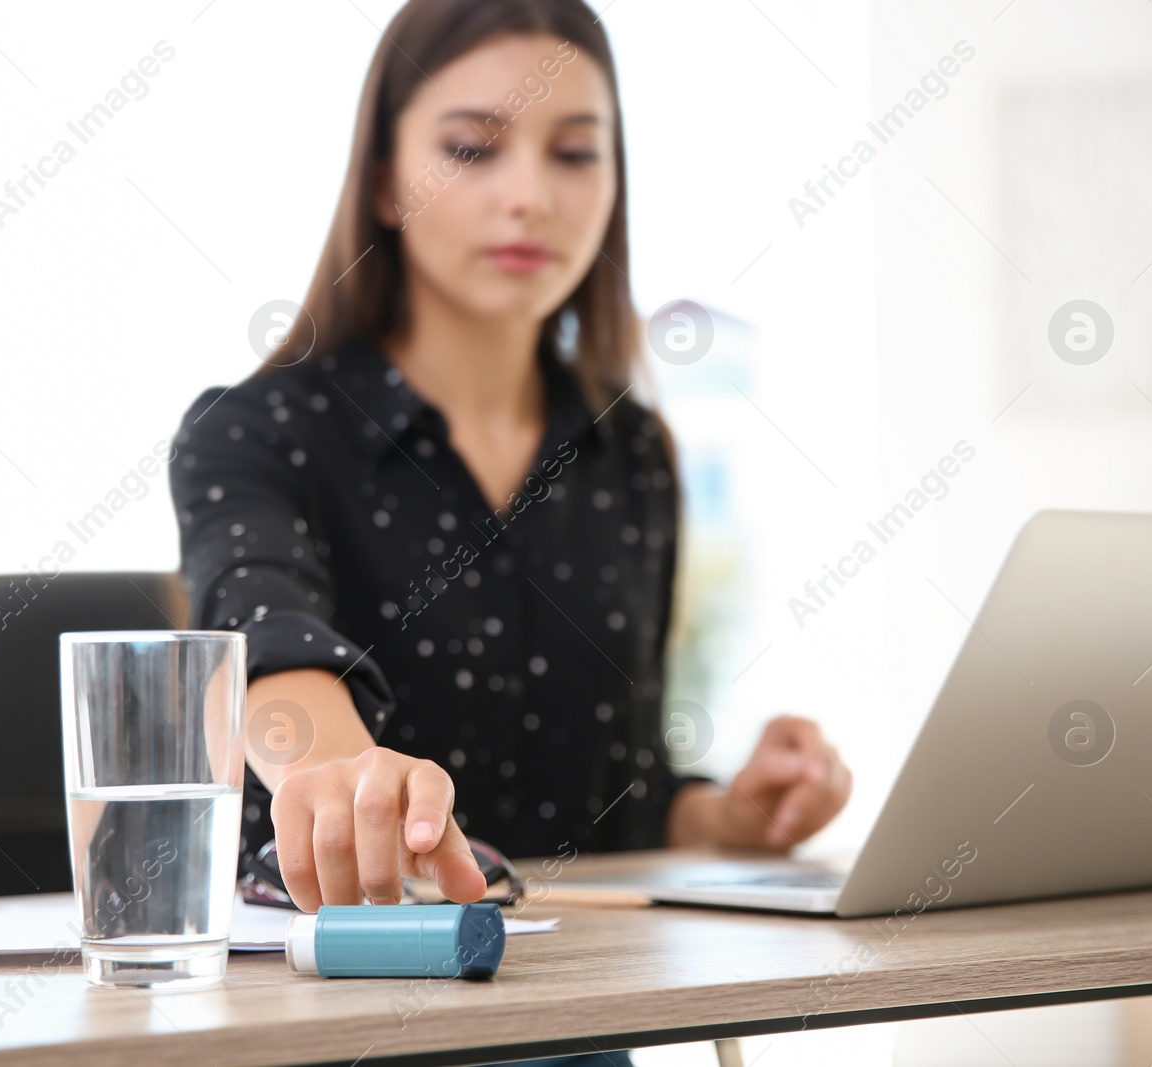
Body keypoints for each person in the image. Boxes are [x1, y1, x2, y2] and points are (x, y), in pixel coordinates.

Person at [169, 0, 851, 920]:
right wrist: (337, 773)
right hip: (336, 998)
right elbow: (268, 650)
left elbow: (621, 789)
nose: (531, 195)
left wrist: (736, 814)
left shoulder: (630, 451)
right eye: (471, 148)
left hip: (573, 1005)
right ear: (380, 183)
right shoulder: (254, 431)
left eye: (574, 153)